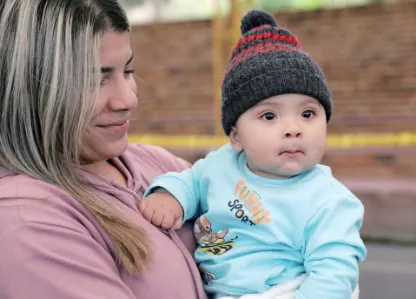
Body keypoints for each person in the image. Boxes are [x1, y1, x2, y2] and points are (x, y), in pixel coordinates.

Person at [140, 9, 367, 299]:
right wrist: (168, 196)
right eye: (270, 116)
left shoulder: (329, 201)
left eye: (308, 113)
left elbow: (334, 274)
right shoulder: (220, 165)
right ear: (236, 136)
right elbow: (190, 181)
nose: (293, 129)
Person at [0, 1, 206, 298]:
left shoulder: (152, 161)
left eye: (129, 70)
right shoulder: (26, 220)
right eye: (96, 80)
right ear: (33, 89)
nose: (128, 100)